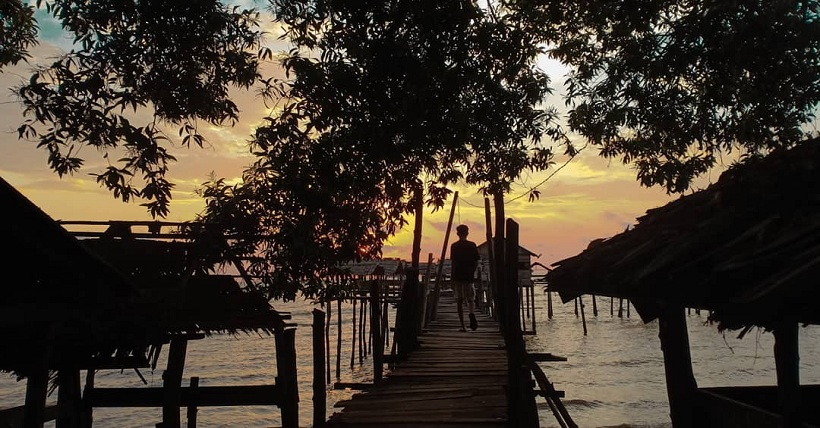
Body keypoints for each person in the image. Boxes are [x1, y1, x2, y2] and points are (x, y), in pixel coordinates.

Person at [450, 224, 480, 331]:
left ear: (458, 234)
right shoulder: (472, 245)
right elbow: (476, 261)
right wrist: (473, 271)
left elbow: (454, 263)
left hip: (458, 275)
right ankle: (471, 313)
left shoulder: (454, 246)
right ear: (467, 233)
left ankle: (463, 326)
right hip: (469, 275)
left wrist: (452, 278)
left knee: (460, 300)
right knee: (471, 298)